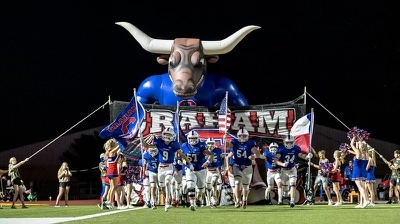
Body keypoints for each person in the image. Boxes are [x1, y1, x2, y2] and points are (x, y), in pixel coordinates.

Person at [142, 127, 192, 212]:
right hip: (160, 167)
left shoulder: (174, 144)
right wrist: (142, 139)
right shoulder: (159, 142)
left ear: (172, 135)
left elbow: (182, 155)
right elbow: (147, 146)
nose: (167, 136)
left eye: (169, 134)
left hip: (169, 166)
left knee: (168, 181)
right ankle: (168, 199)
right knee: (162, 187)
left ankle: (167, 202)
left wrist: (189, 163)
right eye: (166, 134)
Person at [224, 128, 260, 209]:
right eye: (240, 136)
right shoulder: (234, 141)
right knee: (237, 182)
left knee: (246, 186)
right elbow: (228, 145)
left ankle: (244, 199)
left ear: (247, 136)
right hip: (237, 165)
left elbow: (257, 153)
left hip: (247, 166)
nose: (242, 137)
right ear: (238, 136)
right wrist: (225, 139)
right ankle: (237, 200)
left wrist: (253, 156)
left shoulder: (250, 143)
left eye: (244, 136)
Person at [275, 135, 312, 207]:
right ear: (284, 142)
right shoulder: (281, 149)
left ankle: (292, 201)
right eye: (287, 142)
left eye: (290, 142)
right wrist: (282, 164)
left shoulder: (296, 148)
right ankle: (280, 199)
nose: (289, 144)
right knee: (284, 188)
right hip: (283, 170)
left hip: (292, 169)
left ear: (293, 142)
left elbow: (300, 155)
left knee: (293, 184)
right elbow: (276, 160)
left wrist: (307, 156)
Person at [181, 130, 213, 211]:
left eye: (194, 138)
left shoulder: (201, 145)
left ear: (198, 138)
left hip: (200, 169)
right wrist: (182, 160)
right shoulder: (184, 145)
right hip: (190, 169)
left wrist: (207, 162)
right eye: (191, 138)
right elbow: (181, 155)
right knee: (190, 185)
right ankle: (192, 204)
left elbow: (210, 155)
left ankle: (198, 199)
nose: (192, 140)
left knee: (201, 189)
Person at [349, 136, 370, 208]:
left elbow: (351, 144)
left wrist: (353, 137)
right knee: (362, 187)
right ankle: (363, 202)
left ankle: (366, 200)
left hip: (357, 171)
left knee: (360, 187)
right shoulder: (366, 153)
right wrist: (359, 141)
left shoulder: (358, 152)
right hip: (363, 171)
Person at [204, 137, 224, 208]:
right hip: (207, 171)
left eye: (212, 143)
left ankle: (214, 198)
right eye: (209, 143)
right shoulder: (204, 151)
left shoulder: (218, 150)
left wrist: (223, 167)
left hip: (215, 170)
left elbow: (223, 158)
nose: (210, 145)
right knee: (208, 187)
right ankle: (209, 202)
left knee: (214, 183)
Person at [104, 138, 122, 209]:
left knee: (112, 187)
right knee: (114, 187)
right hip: (113, 170)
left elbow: (120, 149)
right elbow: (119, 147)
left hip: (110, 171)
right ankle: (109, 202)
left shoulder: (108, 151)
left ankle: (109, 201)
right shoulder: (111, 151)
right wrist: (121, 141)